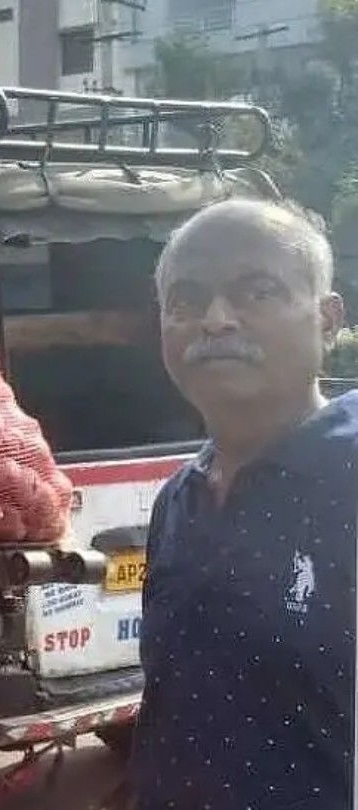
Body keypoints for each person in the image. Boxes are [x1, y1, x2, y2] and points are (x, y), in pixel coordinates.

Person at [132, 198, 354, 808]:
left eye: (257, 292)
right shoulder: (180, 501)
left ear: (328, 319)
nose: (215, 321)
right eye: (186, 301)